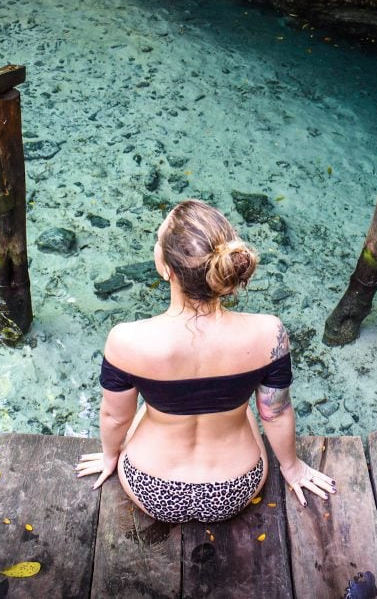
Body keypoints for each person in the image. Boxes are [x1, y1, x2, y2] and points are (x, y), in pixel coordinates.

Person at [75, 199, 335, 523]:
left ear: (165, 266)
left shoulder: (127, 340)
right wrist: (293, 468)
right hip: (235, 488)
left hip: (152, 487)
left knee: (146, 407)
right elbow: (277, 414)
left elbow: (114, 417)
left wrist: (110, 456)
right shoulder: (270, 332)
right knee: (252, 411)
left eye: (158, 241)